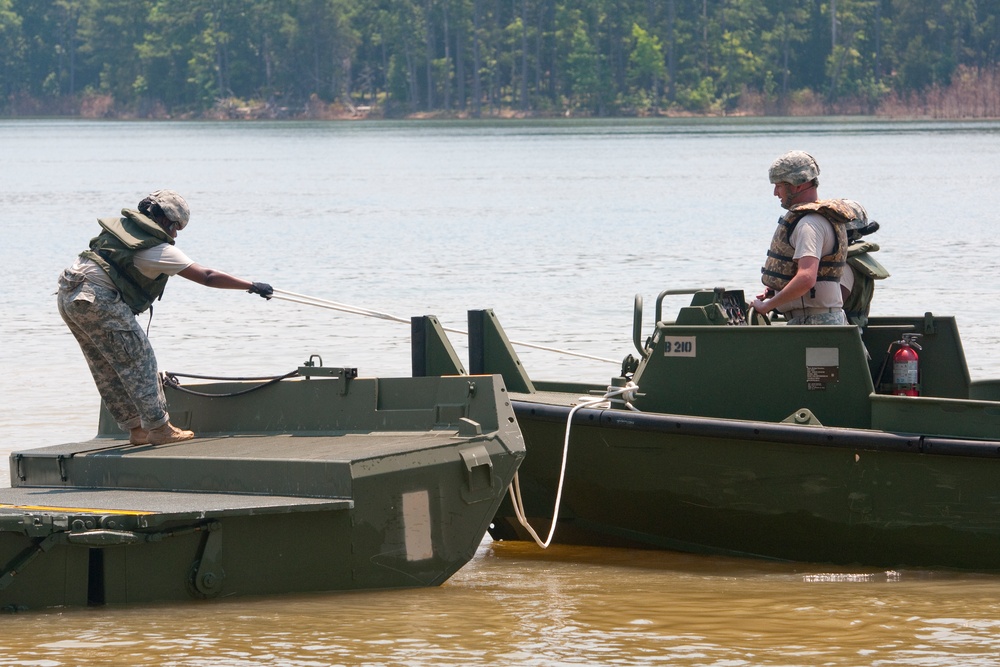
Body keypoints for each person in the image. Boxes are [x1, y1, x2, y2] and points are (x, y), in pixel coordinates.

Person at [57, 190, 273, 446]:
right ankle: (159, 428)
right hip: (98, 299)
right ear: (164, 222)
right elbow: (207, 276)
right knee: (141, 360)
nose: (176, 234)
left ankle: (137, 429)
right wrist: (251, 285)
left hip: (69, 294)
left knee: (105, 366)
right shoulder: (156, 249)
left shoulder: (123, 230)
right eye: (176, 227)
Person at [751, 150, 854, 325]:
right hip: (820, 320)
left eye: (779, 185)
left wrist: (767, 306)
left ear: (797, 185)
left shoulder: (809, 224)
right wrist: (778, 291)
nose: (776, 192)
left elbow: (806, 278)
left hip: (813, 323)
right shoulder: (821, 218)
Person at [839, 200, 890, 329]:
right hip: (853, 332)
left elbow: (831, 306)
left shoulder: (844, 266)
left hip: (842, 335)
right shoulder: (857, 261)